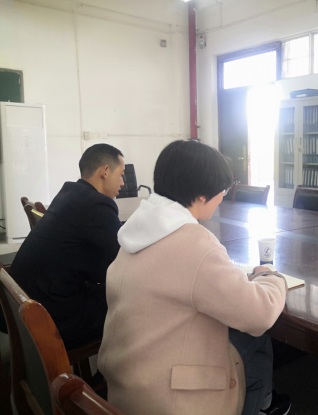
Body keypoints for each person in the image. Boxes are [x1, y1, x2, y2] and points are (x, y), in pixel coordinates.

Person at [98, 140, 291, 415]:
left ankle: (264, 405)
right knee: (257, 338)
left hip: (127, 385)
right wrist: (270, 276)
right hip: (170, 401)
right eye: (222, 190)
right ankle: (263, 405)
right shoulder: (194, 243)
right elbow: (260, 314)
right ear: (201, 195)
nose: (222, 197)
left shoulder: (138, 228)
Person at [7, 144, 125, 350]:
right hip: (53, 316)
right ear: (105, 171)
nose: (123, 182)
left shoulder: (70, 193)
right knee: (131, 301)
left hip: (26, 303)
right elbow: (123, 253)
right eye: (121, 174)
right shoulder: (96, 204)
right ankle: (120, 367)